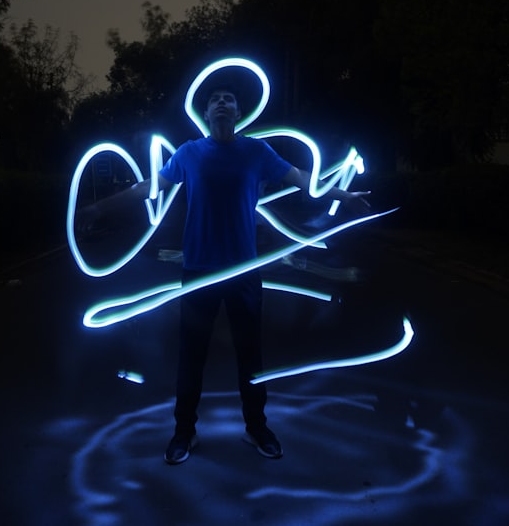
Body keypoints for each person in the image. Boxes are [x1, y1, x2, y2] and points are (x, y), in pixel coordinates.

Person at [80, 79, 370, 465]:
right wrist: (101, 208)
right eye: (214, 99)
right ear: (206, 113)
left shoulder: (257, 152)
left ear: (237, 113)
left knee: (251, 357)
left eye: (228, 99)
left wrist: (345, 195)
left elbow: (305, 181)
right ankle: (184, 432)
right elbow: (151, 187)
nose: (221, 102)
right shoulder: (189, 153)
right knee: (192, 357)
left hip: (243, 271)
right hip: (199, 269)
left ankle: (256, 428)